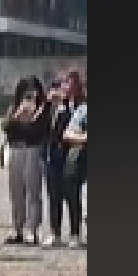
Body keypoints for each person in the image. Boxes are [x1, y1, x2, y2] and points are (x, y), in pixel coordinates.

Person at [0, 76, 51, 245]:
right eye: (25, 92)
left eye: (32, 91)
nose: (29, 96)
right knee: (16, 192)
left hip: (32, 149)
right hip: (15, 149)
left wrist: (30, 121)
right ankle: (18, 228)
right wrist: (17, 115)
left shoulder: (43, 108)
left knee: (32, 191)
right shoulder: (14, 107)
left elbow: (40, 131)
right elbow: (6, 126)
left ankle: (32, 229)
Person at [44, 71, 86, 248]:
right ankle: (55, 232)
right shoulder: (53, 105)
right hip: (53, 155)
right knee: (54, 195)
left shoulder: (80, 107)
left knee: (72, 195)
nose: (69, 87)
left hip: (72, 156)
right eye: (66, 83)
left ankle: (75, 234)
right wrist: (49, 105)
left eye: (73, 84)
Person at [60, 96, 88, 248]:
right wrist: (84, 138)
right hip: (82, 158)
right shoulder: (83, 111)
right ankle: (75, 233)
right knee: (72, 185)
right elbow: (67, 134)